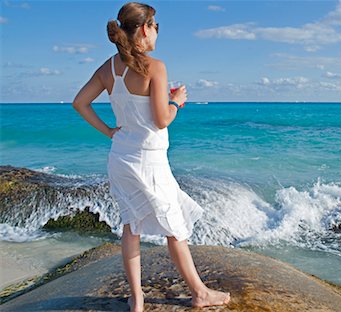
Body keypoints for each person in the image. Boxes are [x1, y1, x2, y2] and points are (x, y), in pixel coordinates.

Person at [72, 2, 231, 311]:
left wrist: (109, 131)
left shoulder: (108, 68)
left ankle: (137, 299)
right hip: (150, 161)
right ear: (145, 29)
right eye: (156, 26)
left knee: (131, 226)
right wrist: (176, 101)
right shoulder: (155, 67)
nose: (157, 32)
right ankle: (199, 293)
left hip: (121, 158)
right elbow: (161, 120)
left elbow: (80, 102)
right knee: (174, 226)